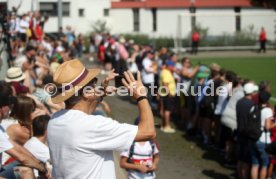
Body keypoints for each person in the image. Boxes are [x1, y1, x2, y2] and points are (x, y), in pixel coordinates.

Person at [47, 60, 156, 178]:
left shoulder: (54, 121)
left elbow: (84, 111)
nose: (96, 86)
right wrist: (141, 96)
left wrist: (101, 92)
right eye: (94, 83)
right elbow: (148, 131)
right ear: (87, 92)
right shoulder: (94, 126)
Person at [0, 81, 48, 178]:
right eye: (10, 104)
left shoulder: (1, 128)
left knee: (26, 169)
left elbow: (18, 149)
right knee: (26, 169)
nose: (11, 107)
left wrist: (40, 165)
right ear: (2, 108)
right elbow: (21, 156)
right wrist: (43, 169)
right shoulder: (16, 128)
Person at [236, 82, 258, 179]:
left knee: (240, 158)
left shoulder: (240, 101)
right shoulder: (252, 105)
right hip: (247, 134)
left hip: (240, 131)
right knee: (246, 160)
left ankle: (239, 176)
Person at [251, 91, 274, 179]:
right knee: (264, 165)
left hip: (254, 137)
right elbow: (268, 127)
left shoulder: (254, 107)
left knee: (255, 164)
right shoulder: (267, 110)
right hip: (263, 140)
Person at [159, 60, 176, 133]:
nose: (174, 67)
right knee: (167, 111)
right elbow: (165, 84)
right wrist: (170, 94)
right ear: (169, 66)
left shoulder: (164, 71)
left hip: (163, 94)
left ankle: (163, 125)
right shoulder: (167, 73)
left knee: (164, 110)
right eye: (173, 66)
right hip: (167, 95)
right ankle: (167, 126)